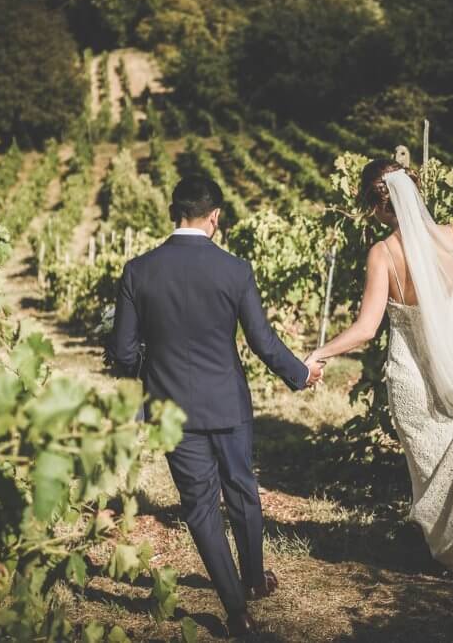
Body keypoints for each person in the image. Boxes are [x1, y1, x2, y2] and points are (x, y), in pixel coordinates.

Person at [108, 173, 324, 636]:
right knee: (242, 489)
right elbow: (263, 342)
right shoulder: (235, 270)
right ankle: (253, 580)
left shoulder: (137, 271)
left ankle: (234, 608)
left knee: (200, 506)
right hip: (228, 403)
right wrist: (300, 373)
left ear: (174, 213)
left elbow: (123, 353)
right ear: (215, 217)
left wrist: (147, 374)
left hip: (170, 410)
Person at [306, 159, 453, 603]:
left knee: (440, 471)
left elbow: (367, 329)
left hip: (413, 382)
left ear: (377, 207)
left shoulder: (383, 254)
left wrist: (320, 352)